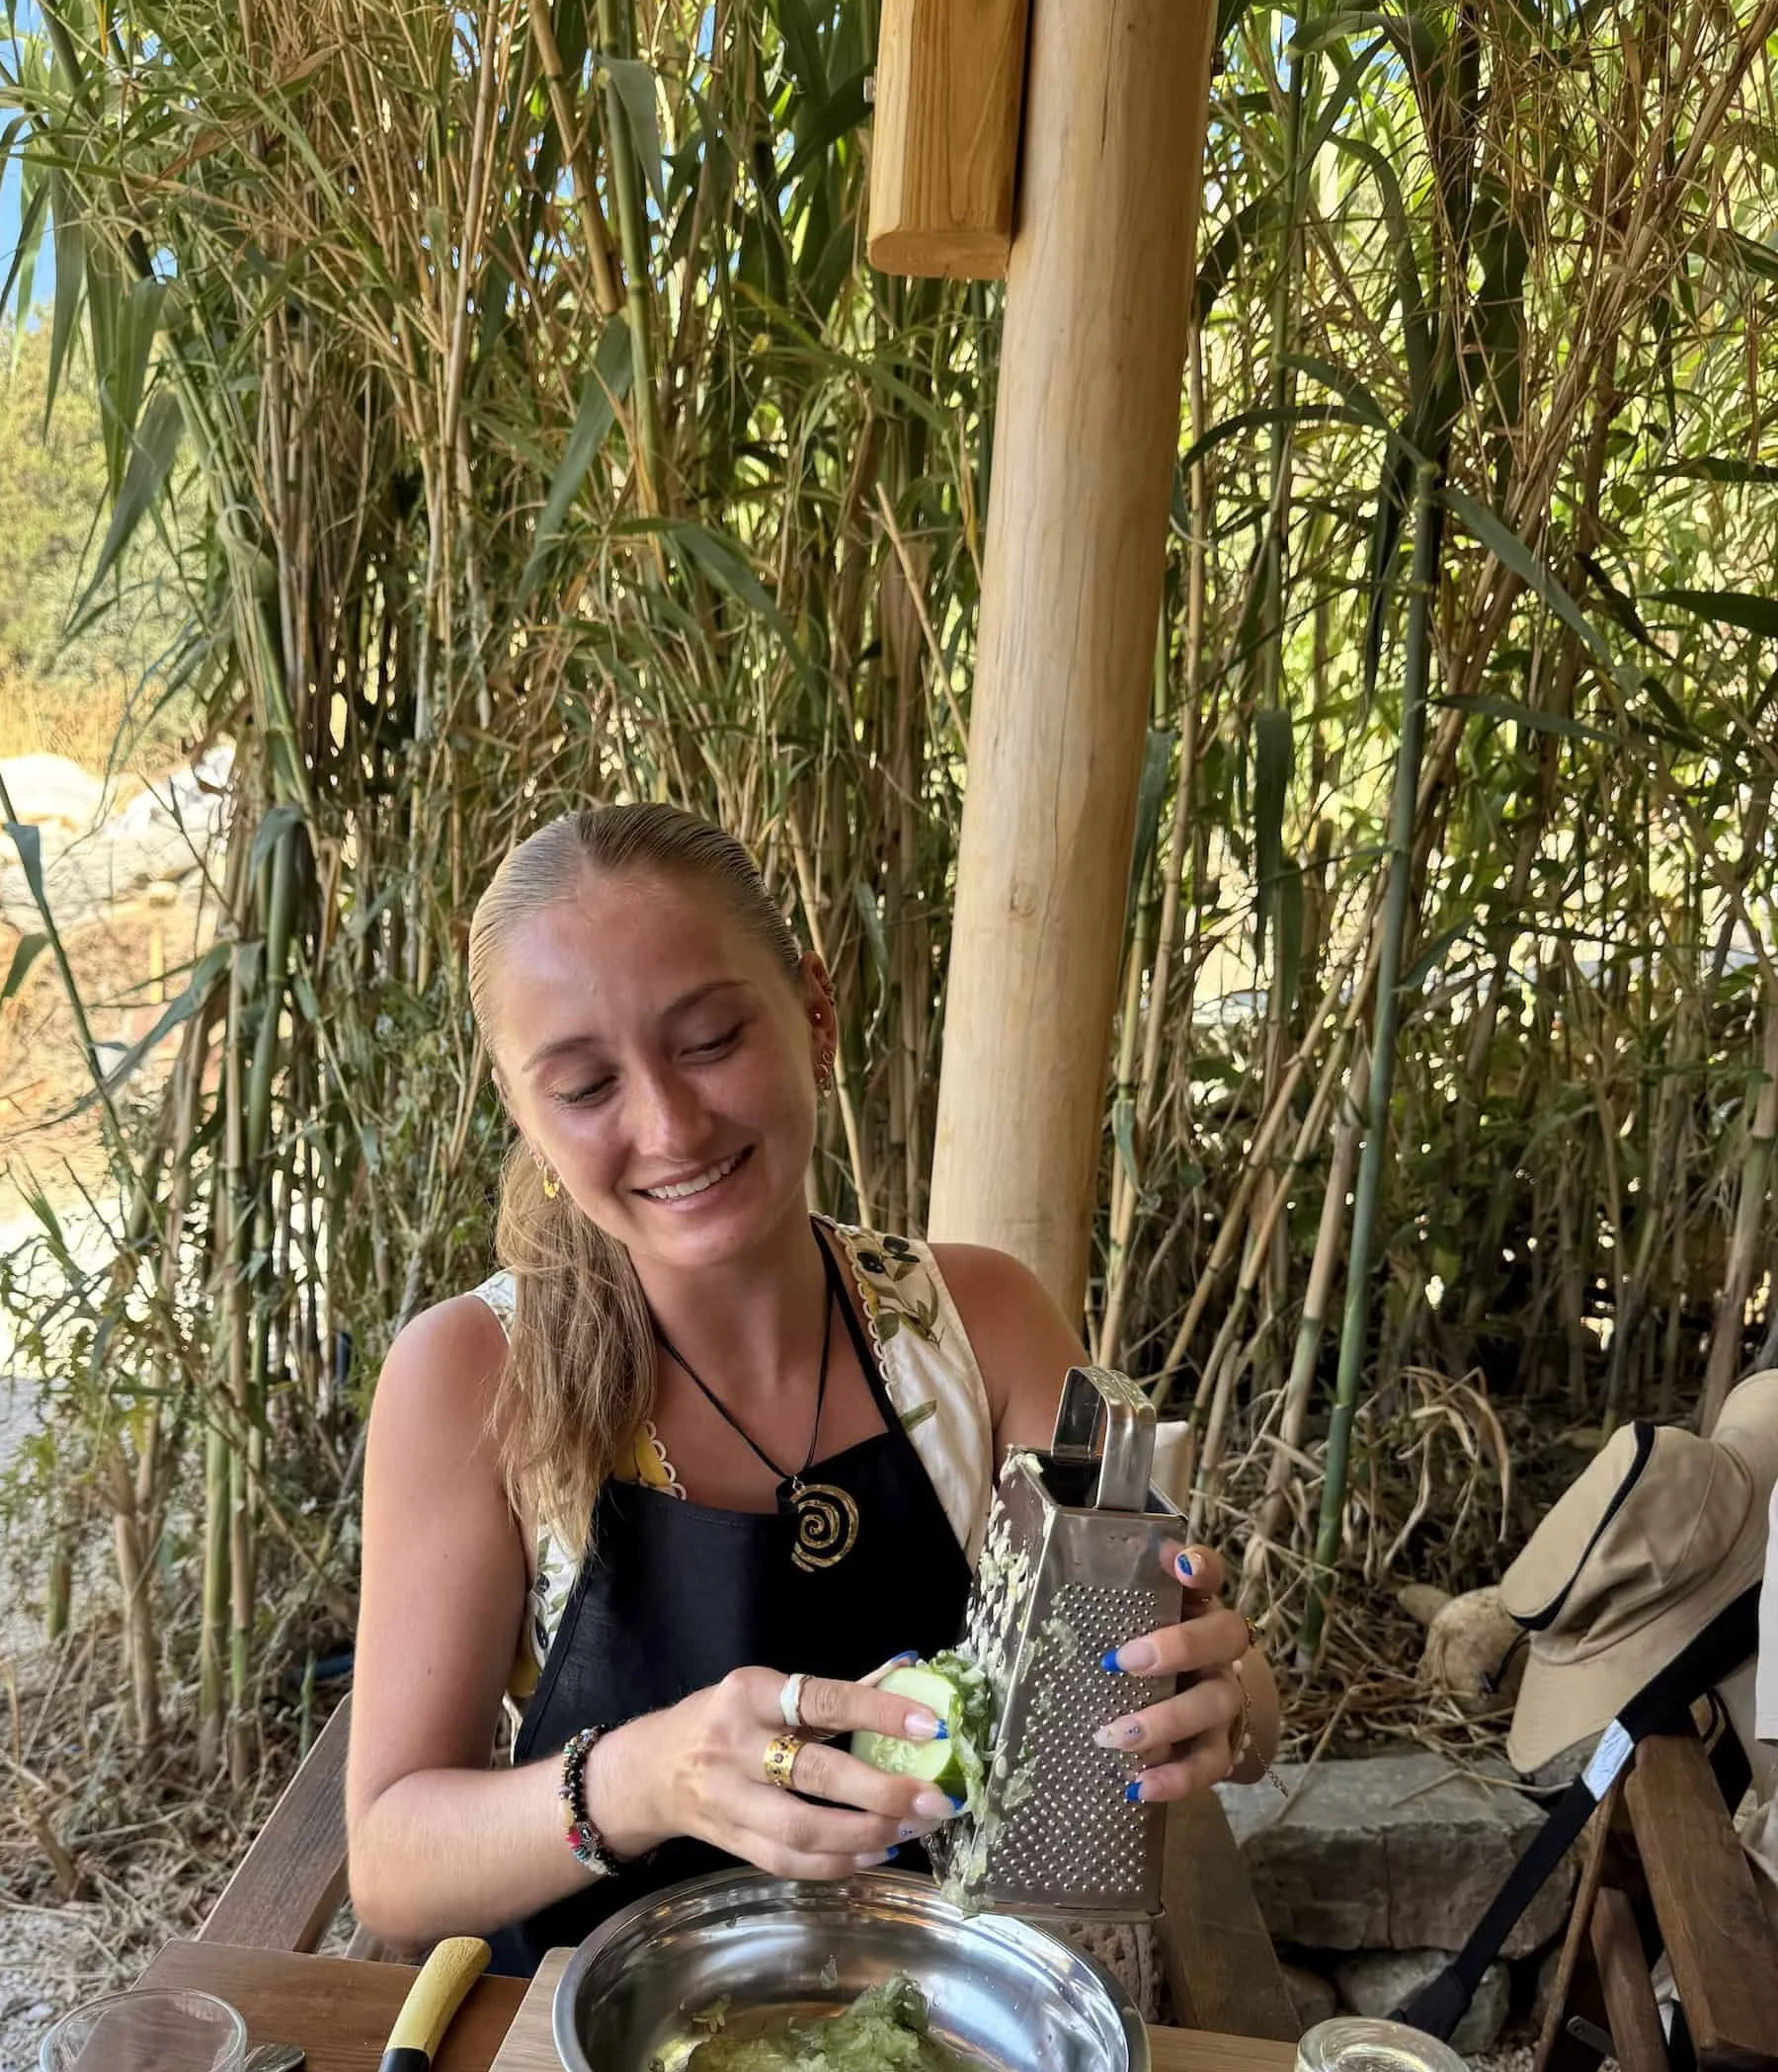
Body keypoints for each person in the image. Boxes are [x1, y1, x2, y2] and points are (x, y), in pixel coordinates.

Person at [346, 804, 1279, 1973]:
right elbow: (390, 1865)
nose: (669, 1125)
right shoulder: (472, 1375)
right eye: (584, 1088)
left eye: (708, 1041)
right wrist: (650, 1775)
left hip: (957, 2008)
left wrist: (1220, 1700)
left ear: (815, 1014)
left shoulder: (976, 1326)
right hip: (591, 2041)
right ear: (523, 1115)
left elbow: (1179, 1675)